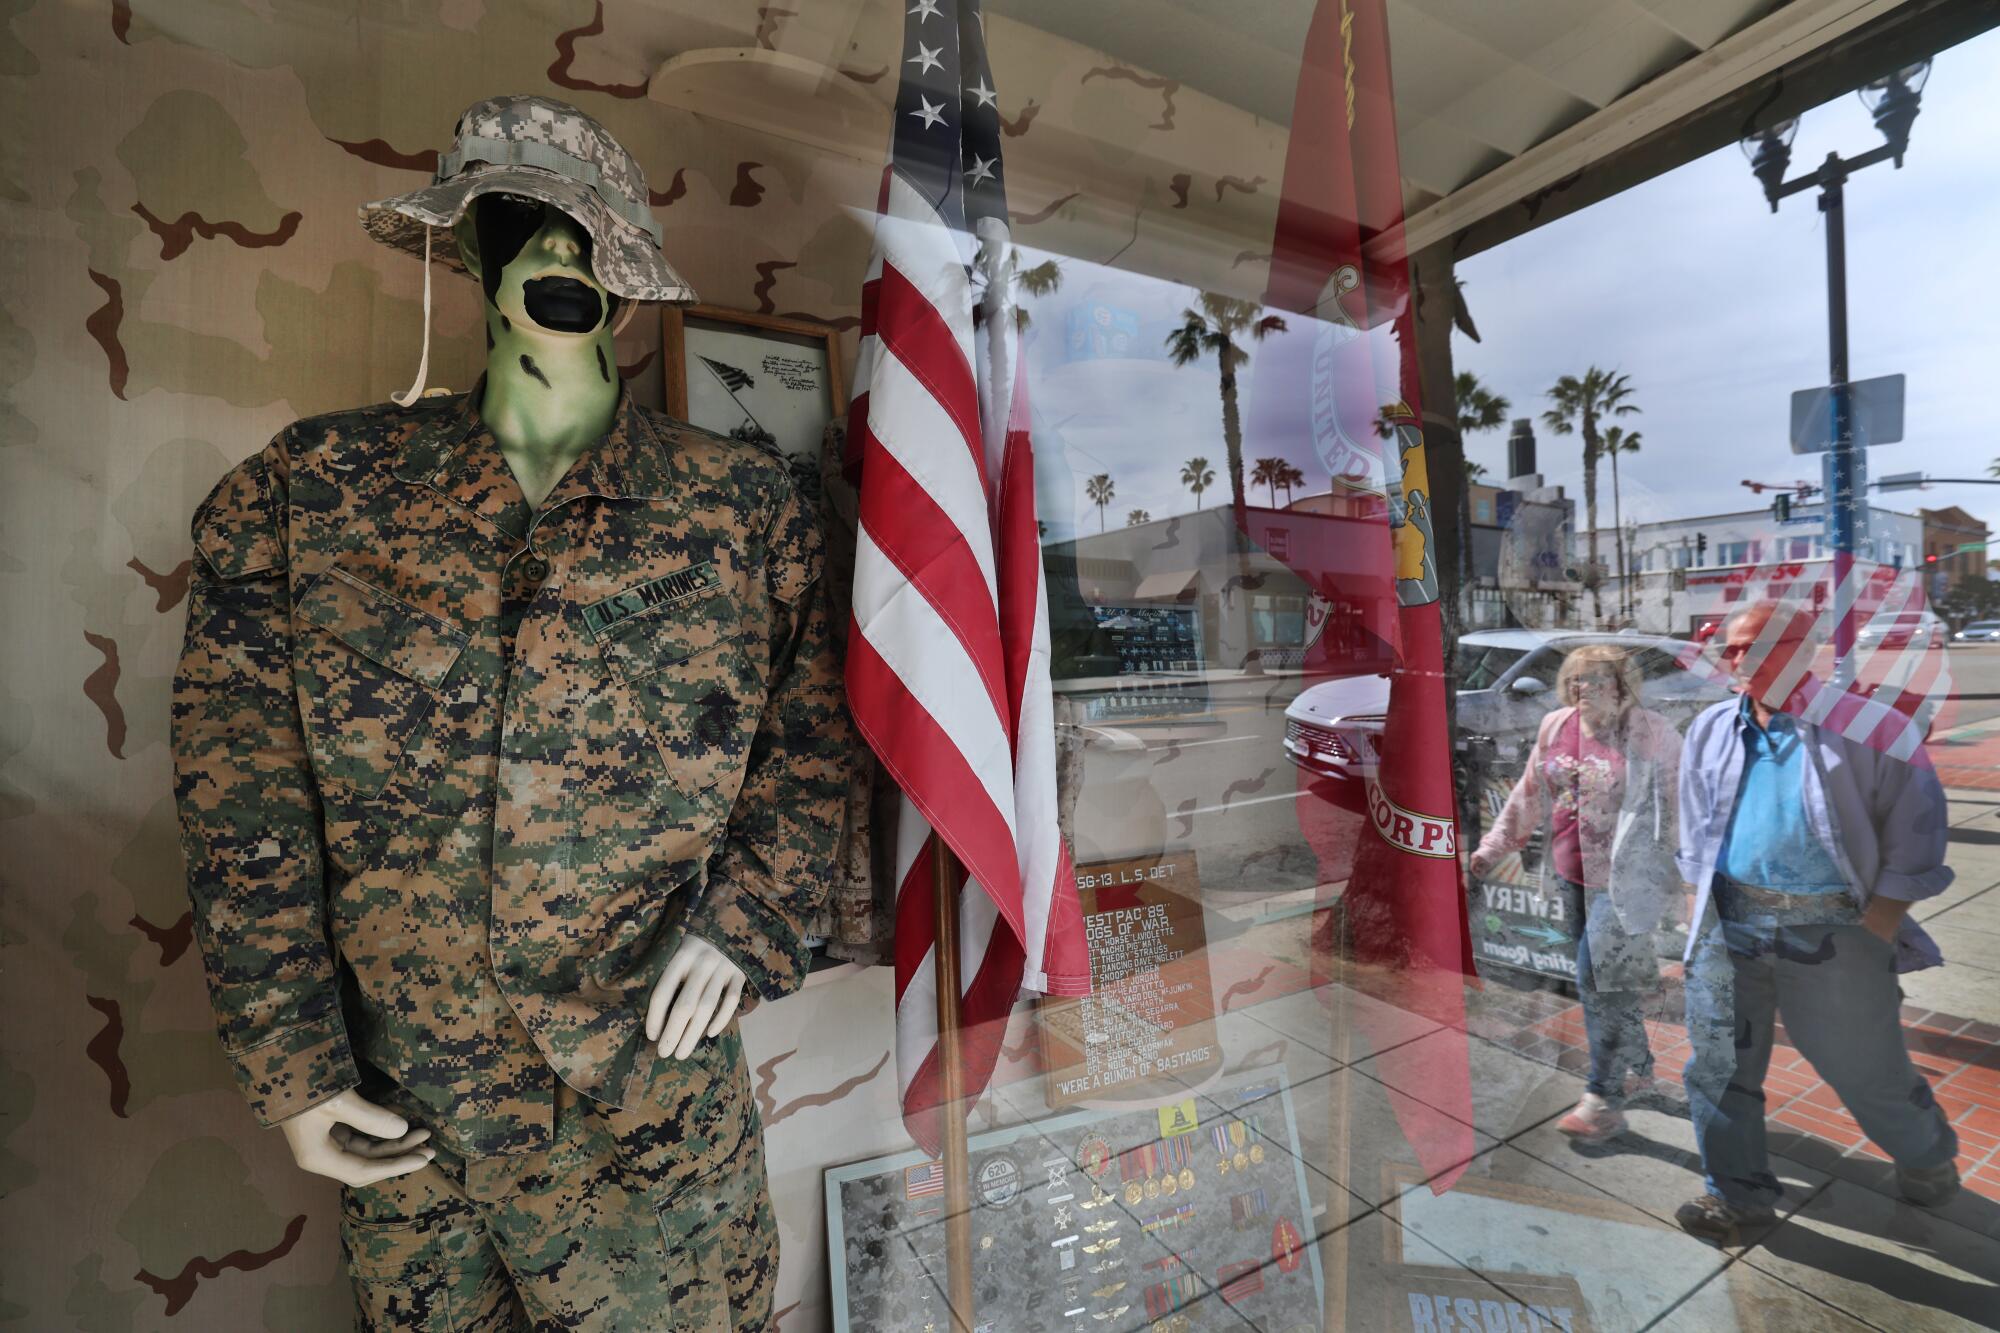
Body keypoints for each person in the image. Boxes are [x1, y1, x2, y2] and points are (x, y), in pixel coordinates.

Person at [173, 95, 851, 1327]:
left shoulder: (747, 514)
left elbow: (809, 757)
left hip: (651, 1120)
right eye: (516, 224)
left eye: (578, 230)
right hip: (410, 1120)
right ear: (470, 255)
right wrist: (293, 1066)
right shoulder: (313, 496)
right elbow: (243, 806)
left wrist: (744, 926)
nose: (549, 253)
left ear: (627, 274)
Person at [1674, 600, 1959, 1245]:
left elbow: (1918, 837)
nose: (1736, 658)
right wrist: (1696, 924)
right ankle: (1736, 1197)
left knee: (1865, 1068)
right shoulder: (1711, 729)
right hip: (1730, 925)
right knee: (1719, 1067)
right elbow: (1695, 837)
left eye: (1756, 645)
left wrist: (1877, 929)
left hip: (1834, 934)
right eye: (1732, 646)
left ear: (1806, 649)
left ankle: (1926, 1154)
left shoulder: (1872, 728)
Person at [1469, 644, 1684, 1142]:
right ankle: (1640, 1068)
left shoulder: (1651, 733)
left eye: (1597, 680)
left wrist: (1687, 876)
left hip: (1627, 886)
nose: (1583, 689)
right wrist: (1494, 845)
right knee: (1612, 983)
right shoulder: (1556, 725)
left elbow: (1678, 808)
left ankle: (1602, 1097)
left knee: (1594, 980)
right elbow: (1529, 794)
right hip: (1570, 876)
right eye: (1577, 680)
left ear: (1622, 686)